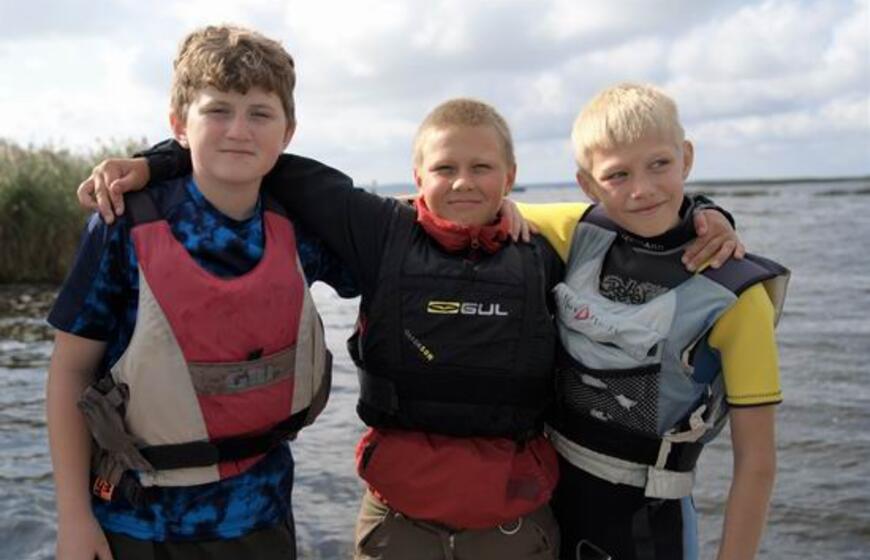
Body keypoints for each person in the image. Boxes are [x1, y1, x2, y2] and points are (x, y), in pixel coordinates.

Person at [78, 94, 742, 559]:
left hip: (511, 526)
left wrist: (707, 213)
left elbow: (637, 212)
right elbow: (262, 157)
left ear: (510, 177)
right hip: (399, 522)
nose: (463, 182)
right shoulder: (380, 234)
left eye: (482, 169)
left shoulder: (549, 247)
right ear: (417, 175)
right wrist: (159, 161)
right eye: (444, 168)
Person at [45, 25, 358, 560]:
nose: (238, 130)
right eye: (218, 111)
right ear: (179, 125)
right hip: (138, 526)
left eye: (260, 113)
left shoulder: (301, 226)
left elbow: (403, 245)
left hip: (261, 517)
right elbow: (70, 371)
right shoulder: (123, 223)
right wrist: (73, 518)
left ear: (287, 132)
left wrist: (501, 212)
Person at [520, 83, 789, 560]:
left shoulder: (737, 294)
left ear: (687, 158)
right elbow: (462, 202)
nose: (641, 189)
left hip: (649, 523)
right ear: (588, 185)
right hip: (546, 504)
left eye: (659, 164)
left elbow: (757, 464)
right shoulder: (577, 231)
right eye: (617, 174)